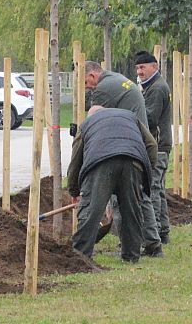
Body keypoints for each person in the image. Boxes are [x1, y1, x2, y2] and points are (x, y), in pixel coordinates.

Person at [66, 103, 159, 264]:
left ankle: (80, 255)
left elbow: (76, 159)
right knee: (132, 211)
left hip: (100, 163)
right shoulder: (130, 117)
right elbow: (151, 145)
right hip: (133, 162)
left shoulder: (87, 124)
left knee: (91, 211)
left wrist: (74, 191)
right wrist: (144, 173)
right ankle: (131, 256)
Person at [134, 51, 172, 247]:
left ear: (155, 66)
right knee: (160, 189)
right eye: (138, 68)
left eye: (143, 67)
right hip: (160, 144)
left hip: (158, 145)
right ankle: (163, 231)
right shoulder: (150, 86)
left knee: (153, 189)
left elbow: (150, 118)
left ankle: (154, 232)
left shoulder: (156, 88)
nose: (140, 72)